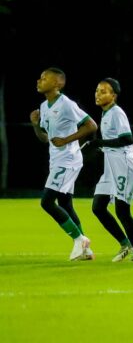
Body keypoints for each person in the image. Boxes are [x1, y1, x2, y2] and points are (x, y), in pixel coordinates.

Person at [31, 67, 97, 260]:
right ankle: (85, 250)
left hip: (68, 159)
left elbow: (91, 125)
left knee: (47, 202)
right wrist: (36, 125)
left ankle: (79, 239)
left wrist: (67, 140)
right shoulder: (44, 107)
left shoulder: (66, 104)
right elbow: (46, 138)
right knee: (65, 204)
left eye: (44, 78)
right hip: (57, 159)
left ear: (57, 83)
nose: (39, 80)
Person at [89, 78, 133, 262]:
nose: (98, 94)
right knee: (98, 207)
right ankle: (124, 243)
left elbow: (127, 139)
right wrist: (102, 146)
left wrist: (101, 143)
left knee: (122, 211)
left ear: (113, 96)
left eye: (104, 91)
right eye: (97, 90)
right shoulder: (105, 114)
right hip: (111, 166)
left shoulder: (116, 112)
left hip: (124, 165)